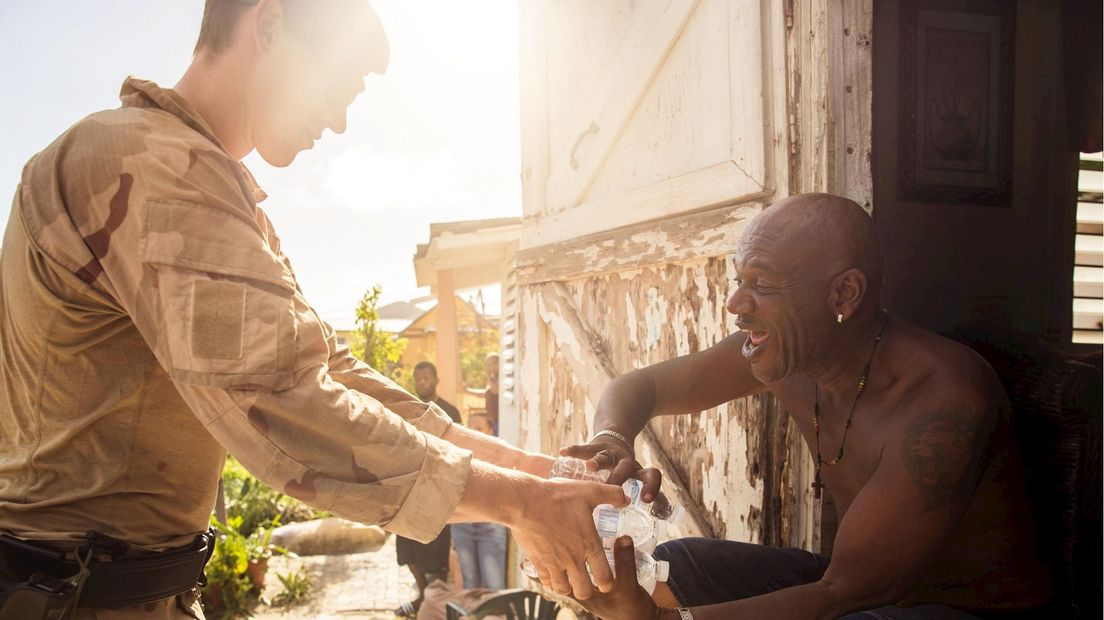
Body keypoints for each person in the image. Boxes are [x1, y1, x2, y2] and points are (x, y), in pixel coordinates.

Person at [0, 2, 624, 617]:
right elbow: (288, 399)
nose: (341, 121)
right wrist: (526, 506)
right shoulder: (149, 162)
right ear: (268, 25)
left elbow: (337, 375)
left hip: (122, 589)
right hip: (73, 593)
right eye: (339, 82)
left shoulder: (209, 188)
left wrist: (545, 477)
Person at [562, 194, 1052, 619]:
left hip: (964, 613)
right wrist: (613, 439)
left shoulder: (942, 398)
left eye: (762, 284)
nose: (735, 303)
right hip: (852, 591)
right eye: (739, 280)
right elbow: (642, 387)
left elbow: (843, 595)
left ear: (844, 293)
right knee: (676, 567)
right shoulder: (786, 353)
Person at [393, 362, 462, 618]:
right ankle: (422, 596)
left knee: (437, 548)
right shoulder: (408, 409)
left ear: (436, 379)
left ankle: (437, 600)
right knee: (407, 547)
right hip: (409, 487)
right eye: (417, 377)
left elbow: (458, 449)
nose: (421, 381)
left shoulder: (450, 412)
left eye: (426, 377)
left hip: (438, 488)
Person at [451, 413, 508, 591]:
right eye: (470, 429)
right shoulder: (458, 456)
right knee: (470, 585)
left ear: (491, 431)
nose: (473, 433)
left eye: (479, 429)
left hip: (490, 526)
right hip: (462, 527)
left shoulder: (501, 457)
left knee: (494, 585)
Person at [483, 354, 500, 434]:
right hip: (492, 420)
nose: (492, 367)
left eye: (495, 363)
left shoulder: (501, 377)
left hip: (499, 420)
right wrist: (466, 390)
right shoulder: (493, 378)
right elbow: (486, 393)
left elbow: (495, 390)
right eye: (489, 365)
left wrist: (488, 375)